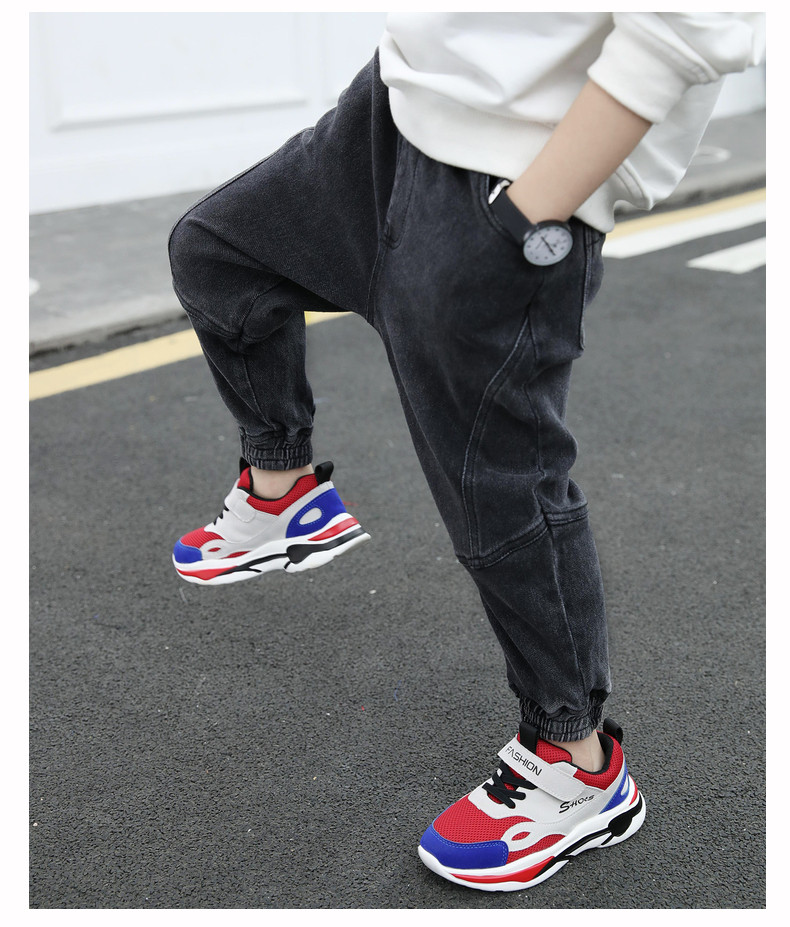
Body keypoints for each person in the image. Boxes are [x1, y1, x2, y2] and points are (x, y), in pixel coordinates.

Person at [167, 13, 765, 892]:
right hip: (389, 113)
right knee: (217, 252)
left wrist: (530, 209)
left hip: (507, 174)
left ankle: (577, 763)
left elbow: (687, 27)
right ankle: (281, 486)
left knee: (501, 492)